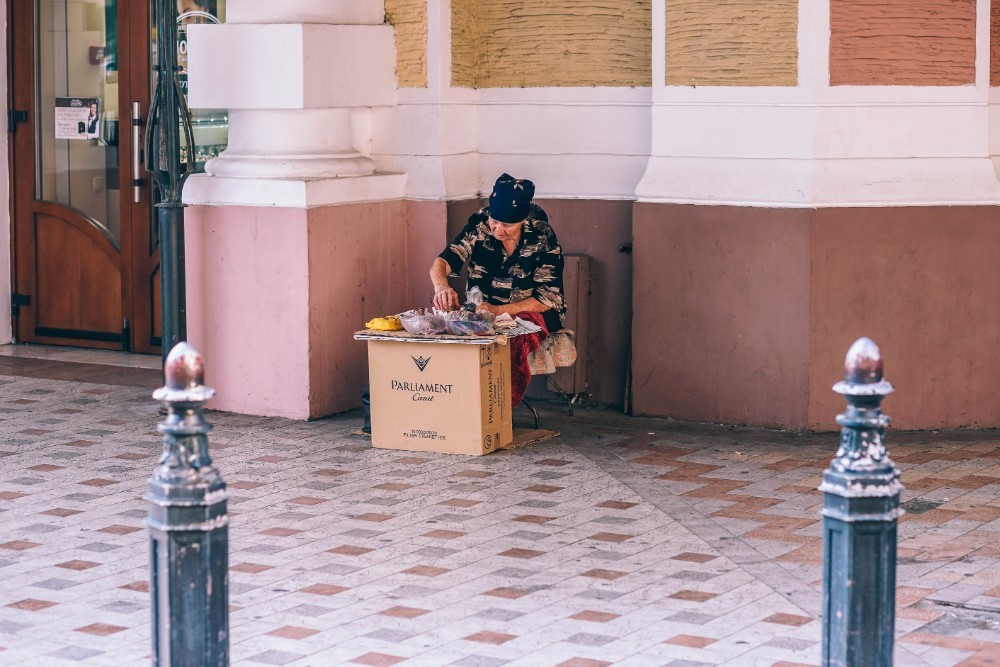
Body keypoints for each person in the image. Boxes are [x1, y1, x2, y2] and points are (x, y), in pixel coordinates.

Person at [430, 173, 565, 333]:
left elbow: (546, 300)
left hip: (528, 315)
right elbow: (443, 262)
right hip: (481, 315)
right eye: (494, 221)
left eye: (507, 225)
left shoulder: (542, 237)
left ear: (522, 221)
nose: (498, 229)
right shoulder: (480, 225)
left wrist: (496, 311)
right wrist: (441, 288)